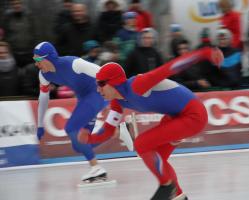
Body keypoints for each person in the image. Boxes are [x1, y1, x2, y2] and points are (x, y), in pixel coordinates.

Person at [78, 46, 223, 199]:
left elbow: (171, 68)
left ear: (113, 82)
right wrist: (89, 139)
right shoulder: (117, 102)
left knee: (141, 144)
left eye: (101, 84)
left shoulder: (138, 84)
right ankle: (178, 195)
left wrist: (205, 53)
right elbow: (108, 130)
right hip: (174, 117)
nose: (98, 89)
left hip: (193, 115)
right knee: (157, 158)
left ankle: (167, 186)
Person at [33, 41, 133, 183]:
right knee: (79, 143)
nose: (36, 64)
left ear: (48, 57)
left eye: (38, 59)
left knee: (71, 128)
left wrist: (125, 91)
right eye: (34, 60)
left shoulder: (74, 63)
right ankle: (117, 131)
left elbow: (103, 72)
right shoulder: (43, 75)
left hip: (96, 94)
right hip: (83, 98)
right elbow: (43, 98)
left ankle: (96, 168)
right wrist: (40, 124)